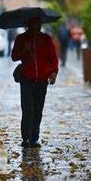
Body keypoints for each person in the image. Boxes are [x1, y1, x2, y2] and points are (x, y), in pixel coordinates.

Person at [12, 17, 59, 148]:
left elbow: (53, 58)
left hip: (42, 80)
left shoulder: (46, 39)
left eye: (38, 24)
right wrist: (24, 50)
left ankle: (34, 138)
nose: (36, 26)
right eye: (33, 24)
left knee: (38, 110)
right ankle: (25, 138)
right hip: (26, 79)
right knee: (27, 110)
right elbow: (14, 56)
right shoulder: (21, 39)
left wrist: (54, 72)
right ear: (28, 25)